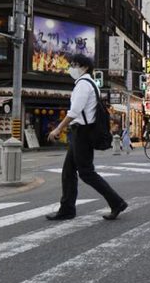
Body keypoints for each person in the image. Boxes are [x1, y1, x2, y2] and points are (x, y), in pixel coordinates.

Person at [46, 54, 127, 221]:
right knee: (69, 172)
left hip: (82, 132)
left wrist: (58, 129)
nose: (71, 68)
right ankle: (67, 209)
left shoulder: (83, 84)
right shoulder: (91, 83)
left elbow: (74, 112)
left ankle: (116, 202)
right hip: (81, 132)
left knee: (86, 172)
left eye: (74, 64)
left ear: (84, 67)